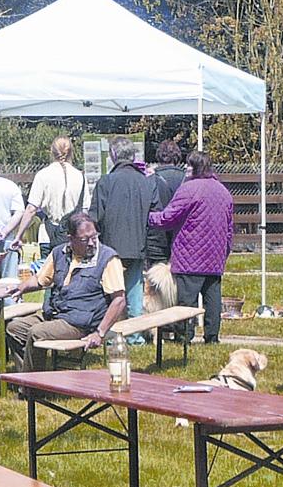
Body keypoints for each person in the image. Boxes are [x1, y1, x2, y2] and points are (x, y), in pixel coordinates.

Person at [4, 209, 127, 364]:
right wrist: (21, 287)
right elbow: (40, 280)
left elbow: (119, 301)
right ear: (71, 238)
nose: (91, 243)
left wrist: (99, 333)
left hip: (81, 323)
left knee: (37, 332)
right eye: (84, 239)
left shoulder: (108, 258)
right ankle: (30, 377)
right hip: (56, 314)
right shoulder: (59, 253)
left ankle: (32, 385)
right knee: (14, 328)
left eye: (94, 237)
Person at [150, 150, 236, 342]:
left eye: (189, 165)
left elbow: (169, 217)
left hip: (190, 255)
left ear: (196, 168)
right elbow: (230, 228)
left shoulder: (189, 189)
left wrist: (148, 217)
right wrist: (225, 251)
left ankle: (184, 336)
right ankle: (212, 337)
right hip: (215, 256)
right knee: (212, 298)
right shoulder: (223, 191)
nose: (186, 169)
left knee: (186, 301)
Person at [89, 148, 155, 321]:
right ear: (133, 157)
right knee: (134, 293)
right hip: (137, 245)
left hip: (110, 249)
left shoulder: (105, 182)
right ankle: (135, 335)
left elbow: (94, 217)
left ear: (113, 155)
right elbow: (155, 214)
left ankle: (111, 333)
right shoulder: (146, 182)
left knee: (111, 292)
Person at [18, 136, 86, 252]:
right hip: (73, 236)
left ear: (52, 152)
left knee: (48, 269)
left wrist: (18, 235)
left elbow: (31, 209)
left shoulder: (43, 175)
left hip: (48, 236)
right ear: (71, 152)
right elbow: (84, 210)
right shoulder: (80, 176)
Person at [142, 139, 186, 271]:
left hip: (155, 241)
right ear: (177, 157)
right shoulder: (187, 179)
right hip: (181, 240)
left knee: (156, 286)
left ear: (159, 156)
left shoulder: (149, 180)